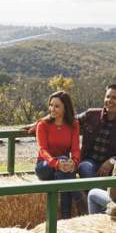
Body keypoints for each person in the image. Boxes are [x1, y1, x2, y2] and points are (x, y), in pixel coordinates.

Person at [34, 90, 80, 219]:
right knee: (64, 163)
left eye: (57, 106)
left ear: (66, 108)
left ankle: (65, 217)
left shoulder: (73, 125)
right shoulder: (42, 124)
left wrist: (74, 162)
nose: (52, 109)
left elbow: (76, 148)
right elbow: (42, 150)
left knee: (63, 173)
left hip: (64, 168)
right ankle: (77, 198)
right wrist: (57, 163)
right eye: (51, 105)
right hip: (44, 166)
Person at [78, 84, 116, 179]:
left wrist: (112, 161)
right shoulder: (91, 115)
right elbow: (69, 122)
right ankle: (97, 191)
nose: (109, 100)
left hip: (115, 166)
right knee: (85, 168)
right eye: (107, 97)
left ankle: (90, 192)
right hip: (90, 162)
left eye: (114, 98)